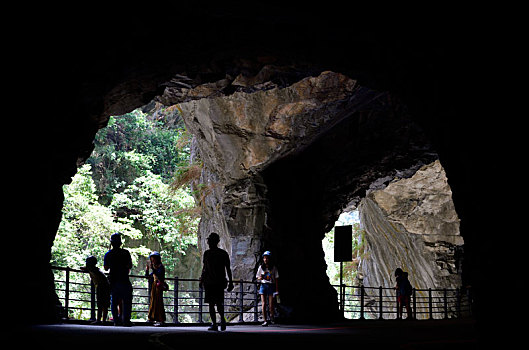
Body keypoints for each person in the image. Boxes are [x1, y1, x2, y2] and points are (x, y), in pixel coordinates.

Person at [199, 232, 234, 331]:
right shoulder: (221, 254)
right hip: (217, 282)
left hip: (212, 282)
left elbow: (205, 268)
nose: (209, 242)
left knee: (213, 304)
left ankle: (216, 323)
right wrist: (230, 282)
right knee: (218, 303)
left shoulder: (209, 254)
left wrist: (202, 279)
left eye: (210, 241)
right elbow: (228, 269)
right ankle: (220, 321)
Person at [104, 232, 133, 326]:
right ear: (120, 243)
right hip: (124, 279)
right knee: (127, 301)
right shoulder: (125, 253)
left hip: (113, 279)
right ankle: (126, 320)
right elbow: (130, 265)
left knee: (114, 301)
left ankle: (116, 321)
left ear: (111, 243)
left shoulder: (108, 254)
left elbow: (106, 268)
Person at [81, 256, 110, 324]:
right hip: (105, 286)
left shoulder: (92, 269)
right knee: (104, 304)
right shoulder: (96, 269)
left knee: (100, 304)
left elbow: (83, 268)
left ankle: (99, 320)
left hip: (101, 286)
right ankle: (103, 321)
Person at [256, 251, 279, 326]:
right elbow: (257, 277)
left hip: (271, 286)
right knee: (264, 304)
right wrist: (260, 277)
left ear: (270, 259)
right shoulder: (261, 267)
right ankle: (265, 320)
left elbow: (276, 279)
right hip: (263, 285)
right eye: (264, 258)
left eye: (267, 258)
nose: (265, 259)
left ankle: (272, 316)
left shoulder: (273, 268)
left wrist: (277, 290)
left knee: (271, 304)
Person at [145, 251, 167, 326]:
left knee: (159, 303)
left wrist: (153, 269)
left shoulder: (160, 267)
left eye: (153, 259)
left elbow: (159, 276)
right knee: (153, 302)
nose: (152, 260)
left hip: (158, 286)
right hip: (154, 287)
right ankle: (151, 318)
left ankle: (161, 320)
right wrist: (147, 270)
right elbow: (148, 276)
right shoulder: (156, 267)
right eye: (152, 259)